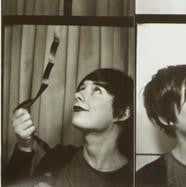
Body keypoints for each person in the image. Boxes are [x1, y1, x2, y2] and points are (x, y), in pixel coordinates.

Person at [4, 68, 133, 186]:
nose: (77, 95)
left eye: (97, 90)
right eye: (82, 88)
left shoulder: (132, 179)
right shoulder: (58, 157)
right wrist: (24, 146)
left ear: (123, 114)